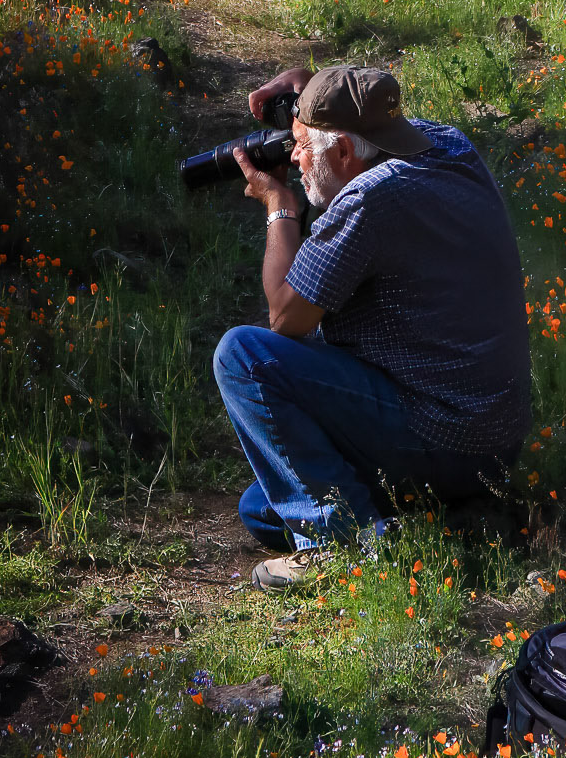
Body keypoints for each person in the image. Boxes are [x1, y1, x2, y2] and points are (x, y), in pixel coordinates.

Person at [213, 61, 530, 591]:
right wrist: (306, 85)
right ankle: (453, 519)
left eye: (300, 146)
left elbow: (285, 317)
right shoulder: (449, 145)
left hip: (438, 432)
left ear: (340, 152)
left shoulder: (371, 198)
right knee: (262, 507)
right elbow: (359, 105)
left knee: (242, 355)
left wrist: (280, 205)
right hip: (492, 443)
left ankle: (339, 549)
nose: (292, 157)